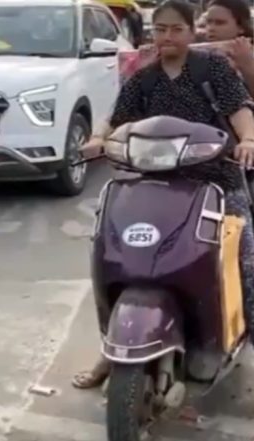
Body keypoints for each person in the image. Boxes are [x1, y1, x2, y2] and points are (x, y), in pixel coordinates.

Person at [73, 0, 254, 390]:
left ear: (191, 33)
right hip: (150, 181)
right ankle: (111, 349)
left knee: (245, 261)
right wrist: (99, 139)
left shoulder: (214, 69)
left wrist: (249, 138)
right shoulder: (144, 77)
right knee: (114, 256)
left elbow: (239, 110)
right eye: (160, 29)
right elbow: (117, 118)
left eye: (176, 29)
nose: (167, 37)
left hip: (216, 180)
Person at [204, 0, 254, 93]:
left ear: (241, 27)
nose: (211, 28)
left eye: (220, 23)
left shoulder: (250, 54)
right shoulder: (199, 54)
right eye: (208, 22)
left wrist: (247, 66)